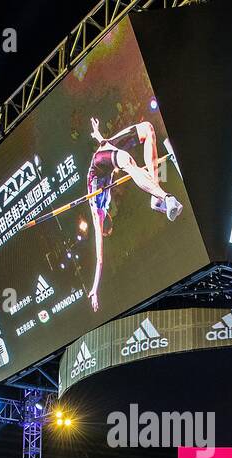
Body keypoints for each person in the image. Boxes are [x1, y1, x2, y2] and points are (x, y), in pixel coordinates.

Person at [85, 116, 183, 313]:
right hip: (105, 156)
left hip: (100, 159)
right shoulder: (99, 212)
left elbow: (100, 258)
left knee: (147, 129)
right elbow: (99, 258)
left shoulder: (98, 214)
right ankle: (163, 197)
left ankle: (157, 197)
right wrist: (94, 289)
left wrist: (98, 135)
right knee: (128, 161)